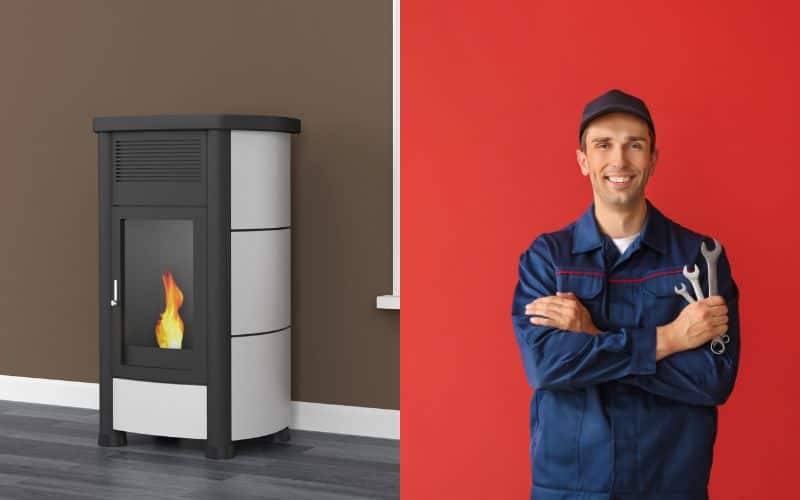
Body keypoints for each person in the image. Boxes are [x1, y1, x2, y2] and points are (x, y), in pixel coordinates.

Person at [511, 89, 740, 500]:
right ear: (583, 160)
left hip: (670, 481)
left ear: (653, 159)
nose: (619, 160)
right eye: (603, 145)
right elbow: (546, 368)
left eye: (635, 145)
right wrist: (669, 340)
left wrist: (592, 338)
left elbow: (712, 381)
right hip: (570, 484)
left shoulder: (700, 258)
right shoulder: (547, 259)